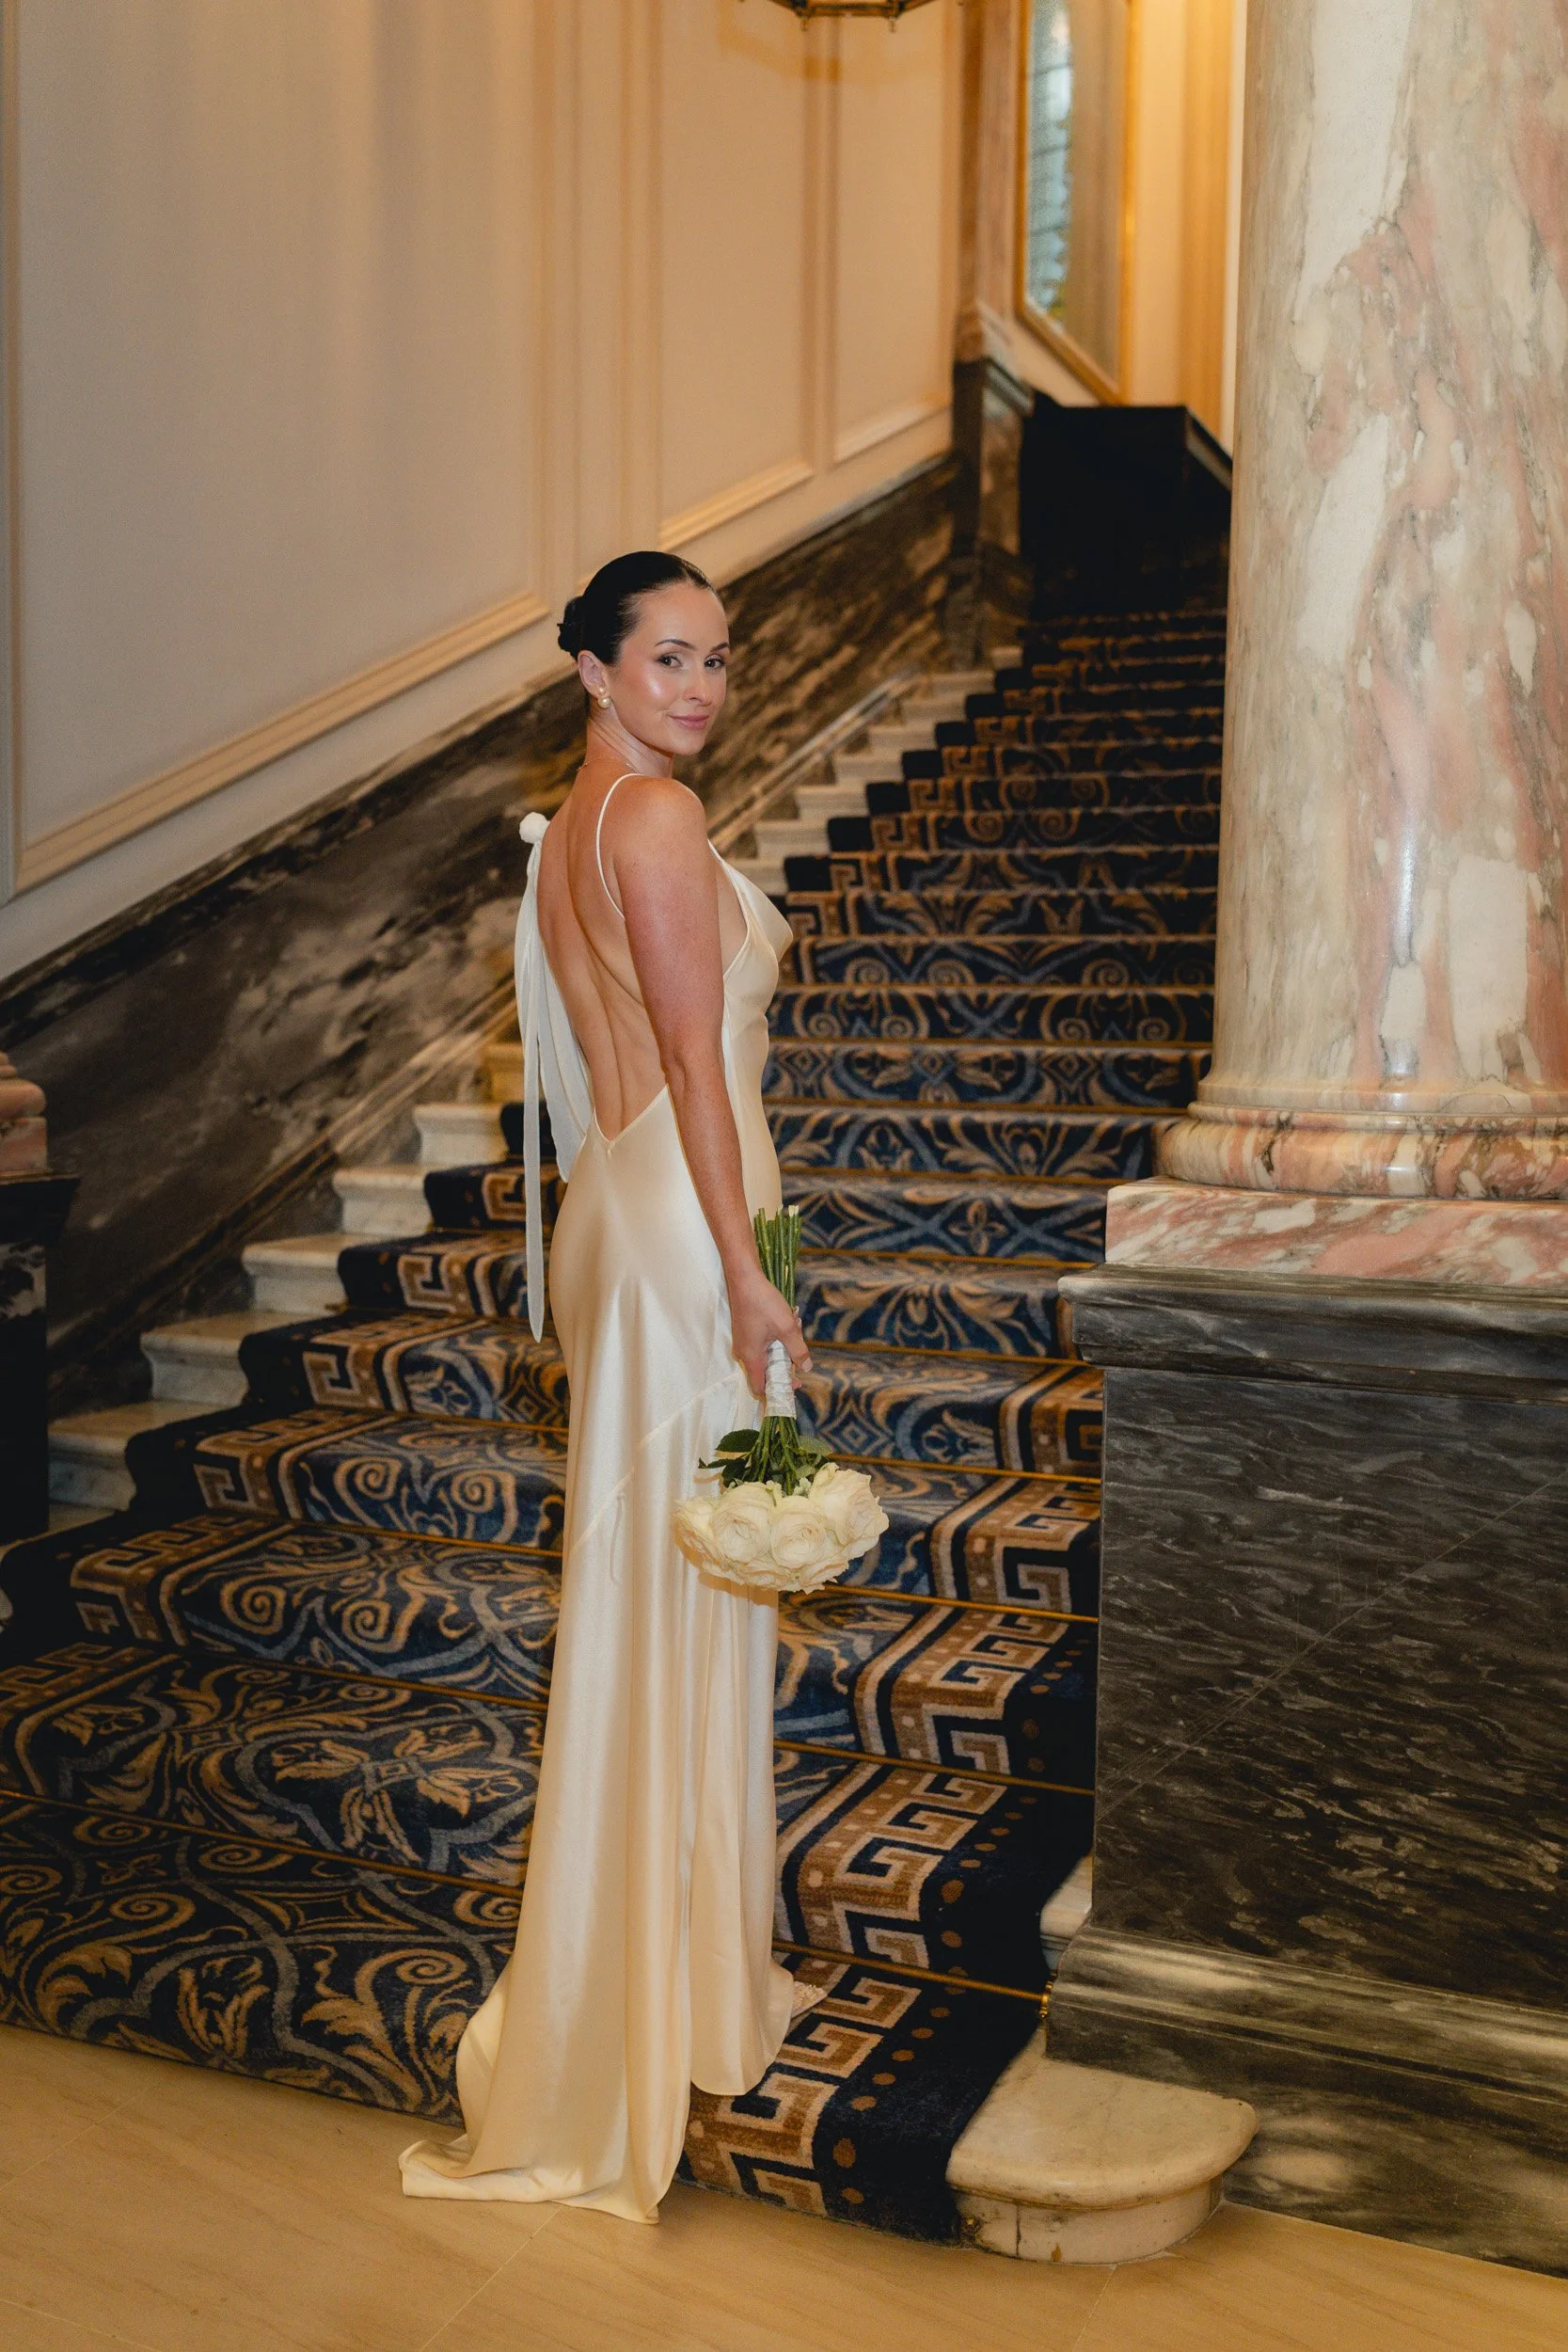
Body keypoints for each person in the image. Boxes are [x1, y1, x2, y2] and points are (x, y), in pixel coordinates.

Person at [400, 551, 811, 2222]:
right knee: (673, 1607)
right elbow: (701, 1075)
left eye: (717, 659)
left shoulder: (574, 823)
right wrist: (746, 1270)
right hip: (676, 1226)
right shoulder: (648, 824)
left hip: (624, 1220)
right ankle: (636, 2009)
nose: (700, 688)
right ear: (592, 666)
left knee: (660, 1596)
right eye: (666, 659)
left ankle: (668, 1974)